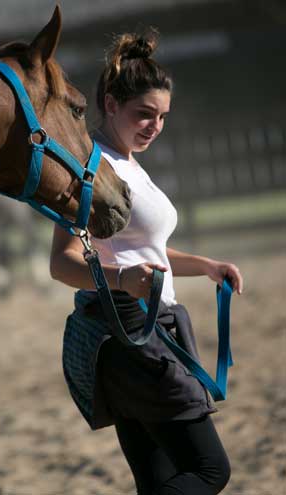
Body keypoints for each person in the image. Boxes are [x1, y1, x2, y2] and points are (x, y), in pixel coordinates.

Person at [50, 30, 244, 494]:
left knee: (157, 482)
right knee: (210, 470)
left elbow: (147, 253)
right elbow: (64, 262)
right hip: (138, 336)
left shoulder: (128, 159)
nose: (155, 125)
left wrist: (206, 265)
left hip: (135, 338)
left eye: (162, 117)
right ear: (111, 103)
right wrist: (124, 279)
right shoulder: (92, 168)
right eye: (144, 114)